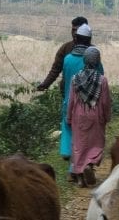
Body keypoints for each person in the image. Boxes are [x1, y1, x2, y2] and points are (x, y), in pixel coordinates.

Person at [58, 23, 104, 178]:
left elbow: (65, 84)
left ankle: (74, 168)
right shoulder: (98, 66)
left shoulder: (67, 59)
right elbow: (103, 93)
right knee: (92, 141)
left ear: (76, 38)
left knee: (75, 140)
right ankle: (88, 164)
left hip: (72, 106)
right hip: (94, 109)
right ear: (90, 39)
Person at [66, 46, 111, 187]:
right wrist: (106, 117)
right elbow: (105, 102)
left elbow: (71, 100)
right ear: (97, 61)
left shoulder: (75, 78)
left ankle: (79, 177)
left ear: (84, 60)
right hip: (95, 115)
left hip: (79, 115)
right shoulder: (102, 80)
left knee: (79, 145)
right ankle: (89, 165)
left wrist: (69, 117)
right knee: (95, 143)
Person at [36, 16, 88, 93]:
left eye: (77, 30)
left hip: (87, 93)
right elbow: (56, 69)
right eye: (73, 30)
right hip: (67, 92)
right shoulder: (65, 48)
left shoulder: (93, 51)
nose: (74, 33)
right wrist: (45, 85)